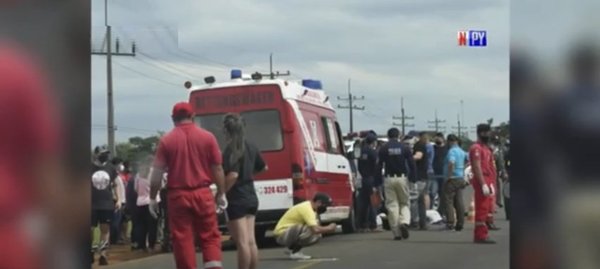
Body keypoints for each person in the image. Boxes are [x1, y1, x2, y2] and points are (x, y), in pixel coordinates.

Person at [148, 102, 227, 269]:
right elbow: (218, 168)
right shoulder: (207, 137)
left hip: (178, 196)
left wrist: (153, 197)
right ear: (193, 116)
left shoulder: (166, 140)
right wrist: (221, 193)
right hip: (203, 193)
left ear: (172, 118)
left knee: (182, 238)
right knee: (210, 236)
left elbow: (156, 173)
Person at [221, 113, 268, 269]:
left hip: (236, 199)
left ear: (226, 130)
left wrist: (221, 192)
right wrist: (248, 173)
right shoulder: (251, 146)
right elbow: (264, 167)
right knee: (251, 241)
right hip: (251, 196)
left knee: (241, 242)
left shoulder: (230, 150)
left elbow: (233, 175)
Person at [377, 128, 417, 240]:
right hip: (402, 178)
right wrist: (413, 178)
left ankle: (396, 232)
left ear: (388, 136)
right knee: (404, 202)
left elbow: (379, 165)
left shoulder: (383, 148)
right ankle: (404, 222)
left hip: (389, 178)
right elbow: (411, 163)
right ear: (399, 135)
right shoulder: (404, 148)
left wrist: (377, 182)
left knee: (392, 205)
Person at [273, 193, 337, 260]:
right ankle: (295, 252)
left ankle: (294, 251)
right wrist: (329, 228)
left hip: (288, 233)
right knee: (310, 230)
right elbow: (315, 229)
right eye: (325, 205)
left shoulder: (312, 210)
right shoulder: (307, 208)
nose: (325, 208)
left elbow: (317, 227)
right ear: (318, 202)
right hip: (281, 234)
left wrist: (324, 228)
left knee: (317, 235)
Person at [91, 146, 121, 266]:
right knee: (90, 229)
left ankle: (103, 254)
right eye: (103, 153)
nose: (106, 156)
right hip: (91, 203)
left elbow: (115, 185)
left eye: (107, 153)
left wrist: (118, 199)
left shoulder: (110, 168)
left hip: (106, 203)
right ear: (96, 154)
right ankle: (91, 251)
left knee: (105, 230)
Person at [469, 124, 497, 244]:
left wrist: (492, 183)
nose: (489, 135)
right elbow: (476, 166)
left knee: (487, 207)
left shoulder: (486, 148)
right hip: (482, 179)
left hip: (488, 179)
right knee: (481, 208)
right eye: (487, 133)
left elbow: (491, 166)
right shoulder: (476, 148)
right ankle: (480, 235)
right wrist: (483, 184)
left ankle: (483, 232)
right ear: (481, 133)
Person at [134, 156, 160, 252]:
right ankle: (151, 246)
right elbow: (159, 186)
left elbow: (135, 189)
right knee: (152, 225)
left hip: (140, 202)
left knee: (141, 225)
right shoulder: (154, 173)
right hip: (152, 201)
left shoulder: (138, 174)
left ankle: (141, 246)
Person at [442, 134, 468, 231]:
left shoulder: (451, 151)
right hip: (460, 177)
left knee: (448, 200)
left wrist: (449, 176)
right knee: (459, 201)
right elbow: (468, 160)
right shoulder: (462, 151)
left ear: (449, 141)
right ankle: (460, 222)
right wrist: (463, 168)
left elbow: (451, 163)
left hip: (452, 178)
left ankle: (450, 222)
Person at [357, 134, 380, 232]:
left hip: (363, 178)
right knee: (373, 203)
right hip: (371, 178)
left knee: (363, 203)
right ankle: (373, 225)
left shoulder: (360, 151)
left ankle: (362, 225)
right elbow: (377, 167)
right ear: (374, 142)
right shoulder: (373, 152)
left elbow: (358, 165)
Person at [412, 132, 431, 230]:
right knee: (421, 200)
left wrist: (406, 158)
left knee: (414, 199)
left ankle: (414, 221)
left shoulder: (419, 145)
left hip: (419, 176)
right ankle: (422, 222)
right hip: (424, 175)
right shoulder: (424, 146)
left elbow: (418, 156)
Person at [109, 157, 127, 245]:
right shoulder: (112, 176)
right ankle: (113, 240)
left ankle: (119, 238)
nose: (121, 166)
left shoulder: (118, 175)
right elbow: (113, 189)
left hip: (122, 201)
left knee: (121, 221)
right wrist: (116, 199)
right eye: (120, 164)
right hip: (117, 201)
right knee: (115, 222)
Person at [432, 133, 449, 219]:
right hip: (434, 175)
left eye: (439, 137)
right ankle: (433, 213)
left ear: (443, 138)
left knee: (443, 194)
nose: (437, 139)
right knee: (433, 193)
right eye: (436, 137)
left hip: (444, 175)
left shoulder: (447, 149)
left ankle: (443, 212)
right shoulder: (432, 148)